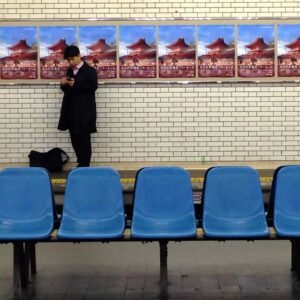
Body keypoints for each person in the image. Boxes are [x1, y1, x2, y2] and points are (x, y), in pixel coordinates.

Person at [58, 45, 98, 167]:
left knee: (84, 138)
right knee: (74, 137)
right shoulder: (70, 70)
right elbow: (67, 90)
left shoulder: (90, 70)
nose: (70, 62)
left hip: (84, 111)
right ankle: (80, 161)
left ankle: (85, 164)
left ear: (79, 56)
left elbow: (93, 87)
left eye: (72, 59)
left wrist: (76, 84)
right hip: (71, 110)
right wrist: (62, 83)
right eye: (68, 60)